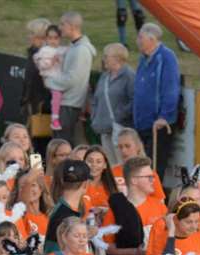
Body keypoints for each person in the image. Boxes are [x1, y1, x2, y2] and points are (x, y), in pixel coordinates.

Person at [132, 23, 179, 177]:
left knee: (153, 169)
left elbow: (170, 89)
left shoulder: (166, 57)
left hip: (157, 124)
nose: (137, 40)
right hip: (142, 123)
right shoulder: (143, 59)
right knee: (141, 167)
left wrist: (164, 116)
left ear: (152, 39)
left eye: (140, 37)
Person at [45, 12, 97, 140]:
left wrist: (49, 82)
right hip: (65, 103)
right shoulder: (74, 47)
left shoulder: (81, 50)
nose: (60, 27)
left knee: (62, 144)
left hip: (69, 104)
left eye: (62, 24)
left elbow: (72, 79)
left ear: (72, 26)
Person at [90, 43, 135, 162]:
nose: (103, 59)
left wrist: (118, 117)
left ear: (117, 58)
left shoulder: (129, 76)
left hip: (120, 129)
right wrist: (94, 118)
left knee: (122, 162)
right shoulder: (105, 76)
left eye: (106, 56)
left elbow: (133, 100)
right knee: (110, 164)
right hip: (104, 129)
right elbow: (96, 99)